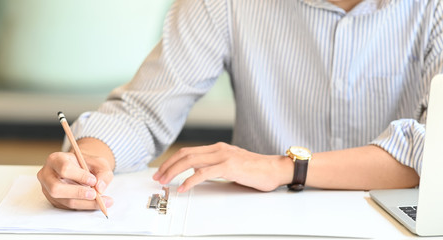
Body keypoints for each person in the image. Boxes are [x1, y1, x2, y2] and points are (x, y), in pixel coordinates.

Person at [37, 0, 442, 211]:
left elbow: (433, 148)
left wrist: (280, 167)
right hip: (260, 224)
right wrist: (88, 158)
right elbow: (144, 109)